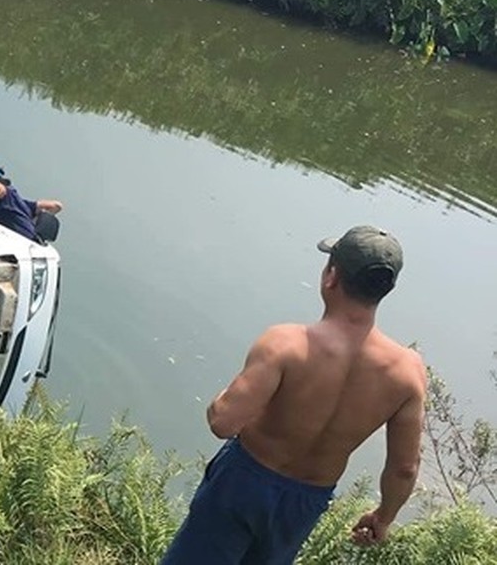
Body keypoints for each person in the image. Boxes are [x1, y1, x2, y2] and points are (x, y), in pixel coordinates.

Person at [160, 225, 427, 565]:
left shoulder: (286, 344)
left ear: (331, 276)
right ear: (385, 289)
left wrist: (227, 395)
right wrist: (383, 516)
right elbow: (405, 468)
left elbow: (223, 422)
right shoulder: (408, 372)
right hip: (306, 498)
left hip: (244, 479)